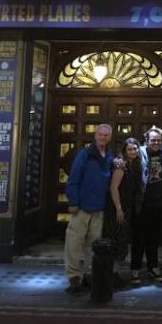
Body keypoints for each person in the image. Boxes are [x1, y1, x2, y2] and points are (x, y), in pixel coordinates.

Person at [64, 124, 114, 294]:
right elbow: (73, 179)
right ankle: (74, 277)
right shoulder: (84, 155)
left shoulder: (109, 156)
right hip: (82, 208)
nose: (103, 138)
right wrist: (73, 202)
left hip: (99, 209)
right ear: (95, 136)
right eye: (100, 134)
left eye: (106, 135)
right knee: (74, 243)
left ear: (110, 138)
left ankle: (89, 275)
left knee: (93, 245)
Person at [102, 137, 143, 287]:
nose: (133, 151)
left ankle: (114, 273)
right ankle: (111, 275)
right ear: (125, 151)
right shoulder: (121, 165)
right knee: (116, 240)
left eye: (135, 148)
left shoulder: (135, 164)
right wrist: (118, 208)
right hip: (117, 209)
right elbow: (113, 188)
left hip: (127, 208)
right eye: (130, 149)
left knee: (122, 241)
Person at [132, 127, 162, 282]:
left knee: (153, 239)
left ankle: (153, 268)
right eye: (153, 140)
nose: (156, 142)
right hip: (142, 203)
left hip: (158, 203)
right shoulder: (139, 153)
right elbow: (124, 157)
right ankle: (135, 269)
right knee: (138, 239)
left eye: (158, 140)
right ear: (146, 140)